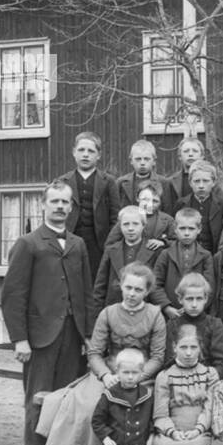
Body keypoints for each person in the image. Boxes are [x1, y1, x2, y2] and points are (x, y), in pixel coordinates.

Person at [0, 181, 92, 445]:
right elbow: (13, 296)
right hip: (39, 337)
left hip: (72, 334)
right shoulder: (28, 244)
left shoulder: (77, 245)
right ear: (43, 205)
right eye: (55, 202)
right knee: (38, 397)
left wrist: (87, 335)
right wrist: (20, 339)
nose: (61, 207)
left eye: (66, 202)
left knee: (66, 400)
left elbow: (86, 293)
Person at [37, 262, 166, 445]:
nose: (132, 294)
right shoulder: (108, 313)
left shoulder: (155, 315)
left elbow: (158, 357)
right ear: (121, 286)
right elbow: (95, 352)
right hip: (109, 373)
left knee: (136, 409)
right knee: (88, 405)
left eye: (138, 289)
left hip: (140, 378)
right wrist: (106, 375)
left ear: (147, 291)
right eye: (128, 287)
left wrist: (136, 377)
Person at [60, 130, 120, 278]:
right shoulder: (62, 182)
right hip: (70, 243)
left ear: (98, 155)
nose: (85, 154)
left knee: (96, 282)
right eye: (81, 150)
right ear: (74, 152)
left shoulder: (109, 182)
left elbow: (115, 217)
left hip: (99, 245)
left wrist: (109, 245)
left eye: (91, 151)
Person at [91, 206, 161, 320]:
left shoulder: (153, 250)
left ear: (143, 225)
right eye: (126, 224)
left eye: (135, 224)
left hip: (144, 314)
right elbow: (100, 286)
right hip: (114, 311)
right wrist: (97, 316)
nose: (130, 228)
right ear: (120, 226)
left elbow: (157, 285)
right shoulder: (111, 250)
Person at [162, 273, 223, 381]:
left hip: (207, 379)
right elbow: (168, 360)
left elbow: (221, 364)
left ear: (206, 299)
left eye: (198, 299)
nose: (194, 304)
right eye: (189, 299)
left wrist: (207, 376)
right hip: (178, 379)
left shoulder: (215, 324)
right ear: (180, 299)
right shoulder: (173, 324)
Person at [152, 208, 214, 319]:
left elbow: (209, 287)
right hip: (171, 314)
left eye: (191, 229)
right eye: (182, 228)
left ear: (199, 229)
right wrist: (166, 307)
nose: (186, 233)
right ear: (175, 229)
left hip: (197, 312)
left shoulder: (205, 256)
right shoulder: (165, 254)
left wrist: (197, 308)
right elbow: (155, 284)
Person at [176, 160, 223, 253]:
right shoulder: (181, 204)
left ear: (213, 182)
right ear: (190, 182)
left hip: (214, 253)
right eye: (197, 181)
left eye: (205, 181)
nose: (201, 186)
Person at [117, 139, 175, 210]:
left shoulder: (164, 183)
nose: (142, 163)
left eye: (146, 159)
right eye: (138, 159)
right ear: (131, 161)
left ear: (154, 161)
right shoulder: (121, 182)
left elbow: (167, 210)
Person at [165, 137, 207, 212]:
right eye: (186, 151)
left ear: (202, 156)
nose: (190, 154)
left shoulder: (211, 179)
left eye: (195, 151)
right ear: (180, 156)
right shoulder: (171, 182)